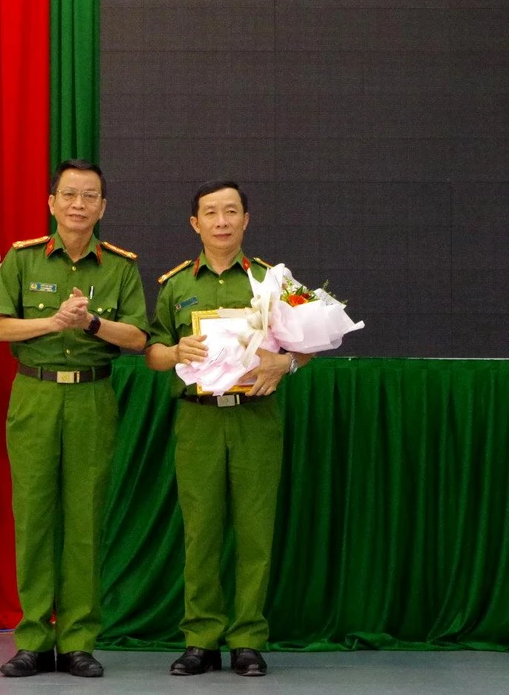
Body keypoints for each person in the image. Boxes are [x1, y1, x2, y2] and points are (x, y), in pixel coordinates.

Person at [0, 159, 148, 678]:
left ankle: (78, 640)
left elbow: (138, 338)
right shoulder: (23, 259)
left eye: (90, 196)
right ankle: (34, 639)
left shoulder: (120, 267)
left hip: (91, 398)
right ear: (52, 202)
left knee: (84, 519)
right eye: (70, 194)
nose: (79, 204)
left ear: (103, 207)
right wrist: (53, 322)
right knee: (34, 516)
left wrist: (93, 322)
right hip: (34, 395)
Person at [145, 180, 311, 677]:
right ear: (195, 223)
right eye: (211, 213)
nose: (222, 221)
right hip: (198, 420)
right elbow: (153, 352)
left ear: (246, 219)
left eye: (231, 211)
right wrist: (175, 352)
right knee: (201, 532)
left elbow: (312, 340)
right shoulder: (176, 284)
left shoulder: (272, 281)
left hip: (255, 418)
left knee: (255, 531)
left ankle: (247, 640)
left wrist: (287, 363)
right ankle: (200, 639)